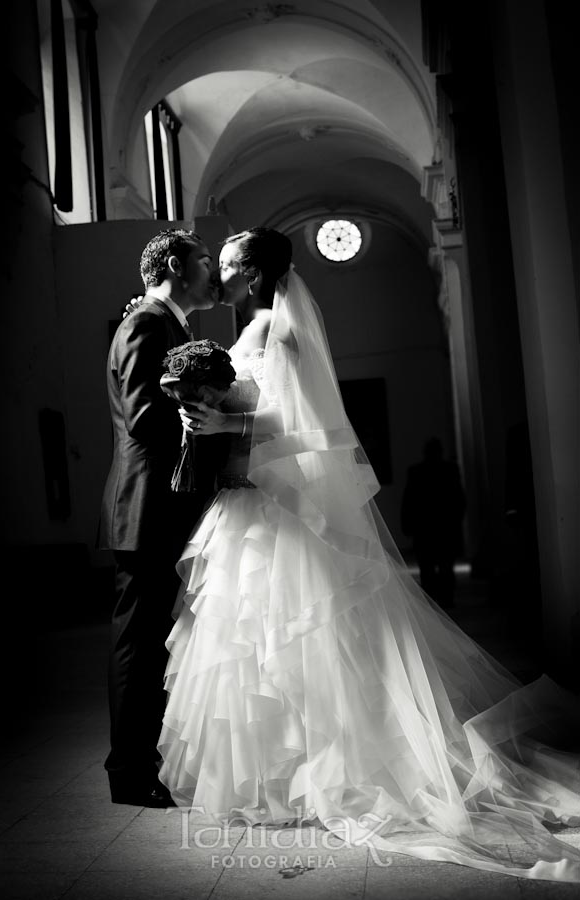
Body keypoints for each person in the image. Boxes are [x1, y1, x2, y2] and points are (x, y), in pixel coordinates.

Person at [156, 227, 579, 882]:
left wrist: (228, 422)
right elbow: (253, 409)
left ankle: (326, 769)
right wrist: (202, 415)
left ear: (256, 272)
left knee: (304, 641)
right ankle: (271, 778)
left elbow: (315, 429)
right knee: (252, 651)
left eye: (233, 264)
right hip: (246, 502)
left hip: (283, 512)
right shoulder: (248, 332)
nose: (223, 275)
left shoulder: (284, 331)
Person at [98, 228, 221, 807]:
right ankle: (128, 772)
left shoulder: (168, 323)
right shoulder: (147, 322)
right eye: (203, 260)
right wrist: (205, 420)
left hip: (162, 505)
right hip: (145, 507)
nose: (212, 270)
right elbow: (145, 416)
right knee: (139, 646)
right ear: (175, 263)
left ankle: (143, 760)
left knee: (154, 645)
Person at [400, 437, 466, 608]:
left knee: (428, 568)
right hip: (444, 527)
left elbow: (409, 501)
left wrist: (407, 525)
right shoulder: (450, 469)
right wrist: (457, 520)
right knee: (444, 567)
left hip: (425, 528)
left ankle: (431, 603)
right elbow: (459, 498)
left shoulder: (416, 471)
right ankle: (446, 601)